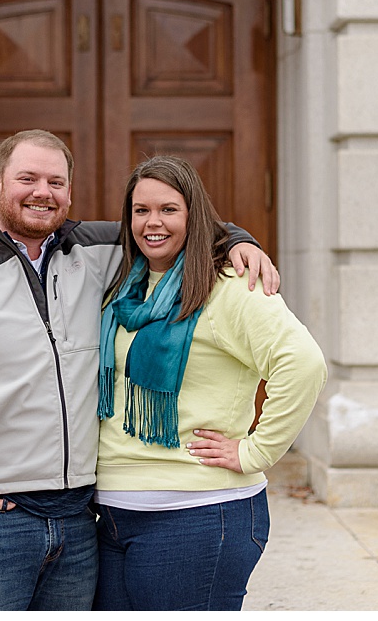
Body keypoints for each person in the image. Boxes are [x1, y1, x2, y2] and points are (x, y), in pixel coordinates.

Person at [0, 129, 278, 612]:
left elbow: (172, 227)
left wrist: (238, 240)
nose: (42, 192)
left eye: (55, 182)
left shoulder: (103, 251)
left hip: (78, 523)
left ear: (70, 192)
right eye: (27, 178)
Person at [93, 155, 327, 611]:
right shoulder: (122, 287)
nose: (152, 222)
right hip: (113, 517)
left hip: (199, 515)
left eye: (169, 209)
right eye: (141, 210)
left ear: (194, 215)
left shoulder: (229, 286)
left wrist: (255, 452)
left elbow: (303, 364)